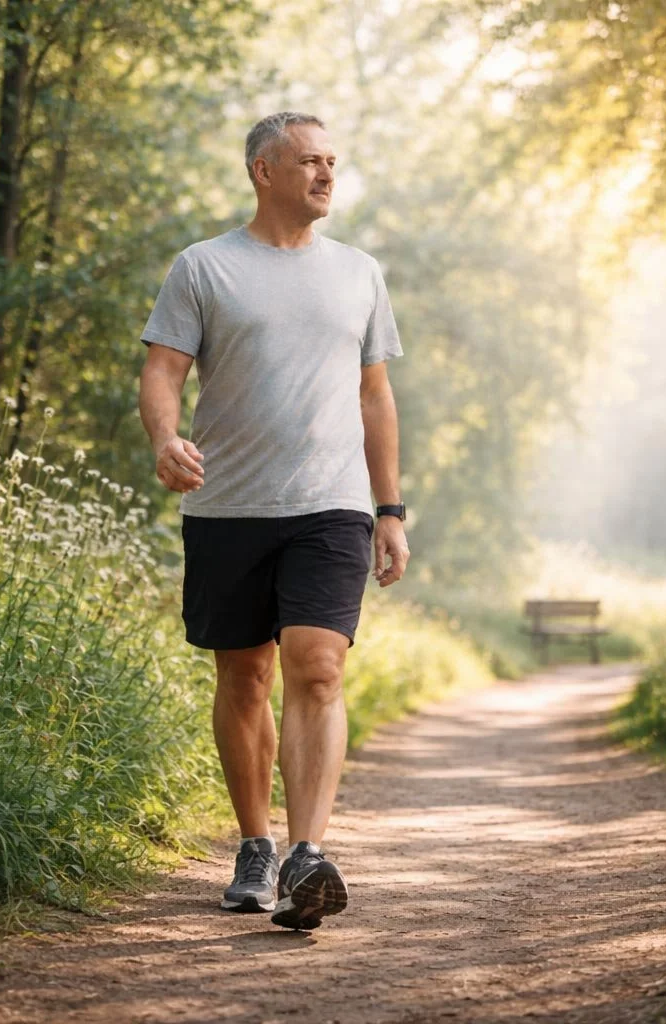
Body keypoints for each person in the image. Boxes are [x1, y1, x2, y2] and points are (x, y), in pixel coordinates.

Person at [136, 111, 409, 931]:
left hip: (331, 504)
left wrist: (389, 507)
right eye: (310, 162)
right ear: (264, 170)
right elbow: (163, 369)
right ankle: (255, 844)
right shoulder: (205, 267)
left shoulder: (359, 273)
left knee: (318, 666)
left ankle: (307, 856)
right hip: (228, 504)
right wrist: (163, 437)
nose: (327, 176)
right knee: (244, 677)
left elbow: (375, 396)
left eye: (333, 162)